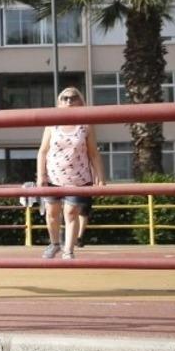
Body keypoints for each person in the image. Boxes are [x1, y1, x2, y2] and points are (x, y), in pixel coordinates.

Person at [36, 86, 104, 260]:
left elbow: (93, 153)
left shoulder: (86, 126)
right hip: (53, 176)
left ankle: (69, 250)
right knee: (52, 213)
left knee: (71, 212)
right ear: (59, 103)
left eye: (73, 98)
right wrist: (40, 175)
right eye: (65, 98)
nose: (69, 101)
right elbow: (43, 151)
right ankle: (55, 244)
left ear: (80, 102)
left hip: (78, 177)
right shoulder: (52, 125)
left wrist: (100, 178)